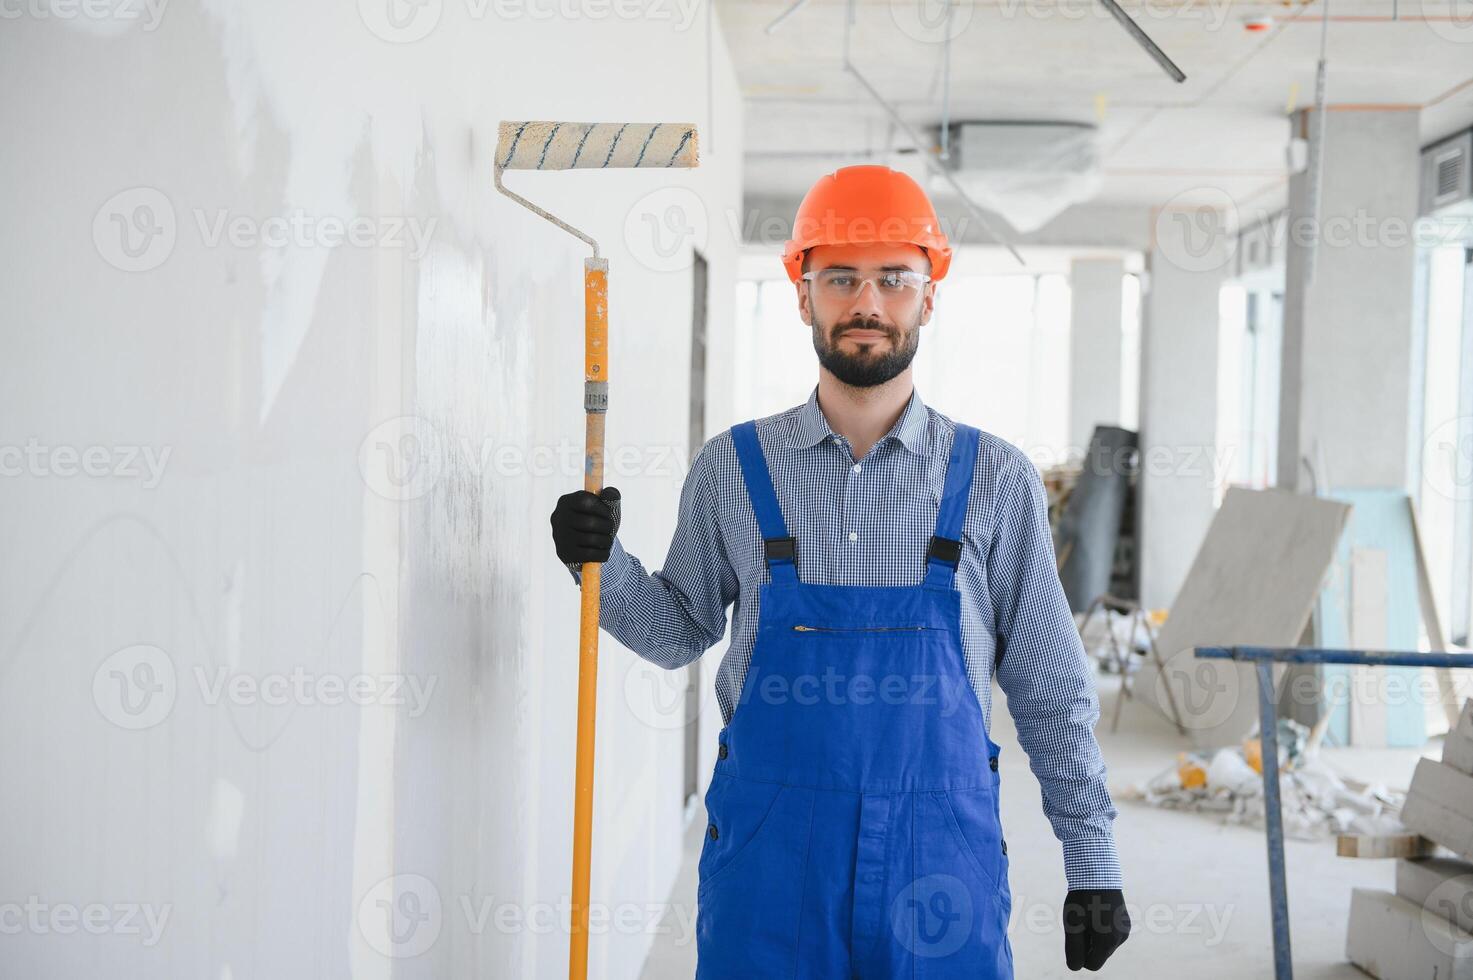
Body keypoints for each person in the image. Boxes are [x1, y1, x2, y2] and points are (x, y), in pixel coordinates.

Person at [550, 164, 1129, 977]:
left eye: (894, 279)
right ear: (802, 296)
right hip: (769, 861)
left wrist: (1091, 862)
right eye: (841, 279)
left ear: (928, 297)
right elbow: (677, 631)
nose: (867, 304)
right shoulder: (733, 468)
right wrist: (599, 566)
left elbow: (1047, 686)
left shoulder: (994, 478)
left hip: (940, 859)